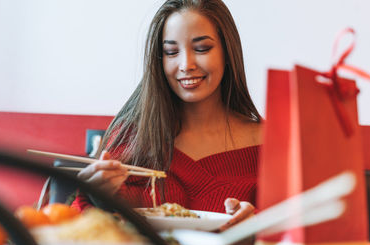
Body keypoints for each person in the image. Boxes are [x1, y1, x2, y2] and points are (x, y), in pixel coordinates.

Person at [72, 0, 263, 231]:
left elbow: (294, 234)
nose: (185, 65)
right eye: (171, 52)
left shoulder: (266, 143)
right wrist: (95, 198)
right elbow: (74, 228)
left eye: (202, 48)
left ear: (227, 50)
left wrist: (259, 224)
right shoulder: (133, 135)